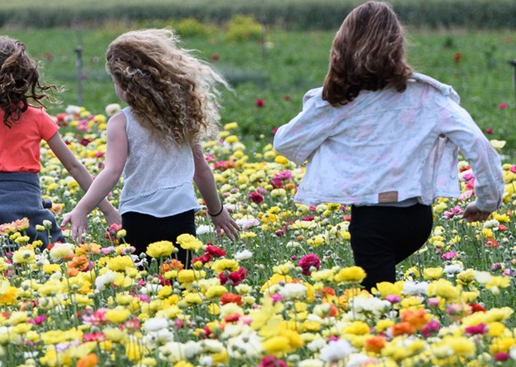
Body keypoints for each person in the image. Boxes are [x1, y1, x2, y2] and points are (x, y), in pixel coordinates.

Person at [273, 1, 504, 292]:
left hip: (373, 222)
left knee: (378, 310)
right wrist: (486, 201)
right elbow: (480, 147)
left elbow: (285, 143)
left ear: (341, 47)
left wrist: (323, 120)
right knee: (386, 298)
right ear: (397, 44)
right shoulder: (428, 96)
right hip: (419, 219)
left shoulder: (338, 102)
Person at [62, 29, 239, 260]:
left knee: (143, 286)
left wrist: (82, 208)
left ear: (126, 84)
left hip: (138, 216)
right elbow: (202, 172)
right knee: (180, 284)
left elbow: (112, 172)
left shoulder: (121, 122)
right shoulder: (181, 117)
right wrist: (217, 211)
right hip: (181, 213)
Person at [0, 36, 120, 248]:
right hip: (28, 209)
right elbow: (74, 167)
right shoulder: (38, 118)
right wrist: (108, 210)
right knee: (48, 251)